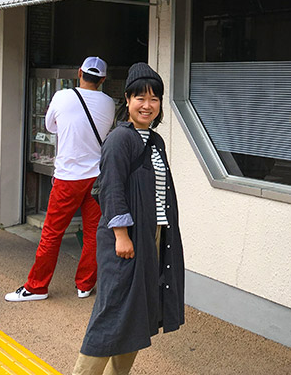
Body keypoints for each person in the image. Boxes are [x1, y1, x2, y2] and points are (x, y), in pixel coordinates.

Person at [73, 63, 184, 375]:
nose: (147, 105)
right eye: (140, 98)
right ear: (127, 100)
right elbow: (110, 188)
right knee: (111, 313)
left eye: (154, 99)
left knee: (136, 312)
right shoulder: (120, 139)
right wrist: (122, 235)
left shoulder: (154, 141)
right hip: (125, 239)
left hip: (154, 234)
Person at [6, 57, 115, 302]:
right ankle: (85, 285)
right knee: (93, 234)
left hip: (68, 177)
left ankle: (37, 287)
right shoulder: (108, 103)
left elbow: (50, 126)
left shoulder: (62, 96)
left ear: (79, 73)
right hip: (98, 177)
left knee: (52, 233)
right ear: (103, 79)